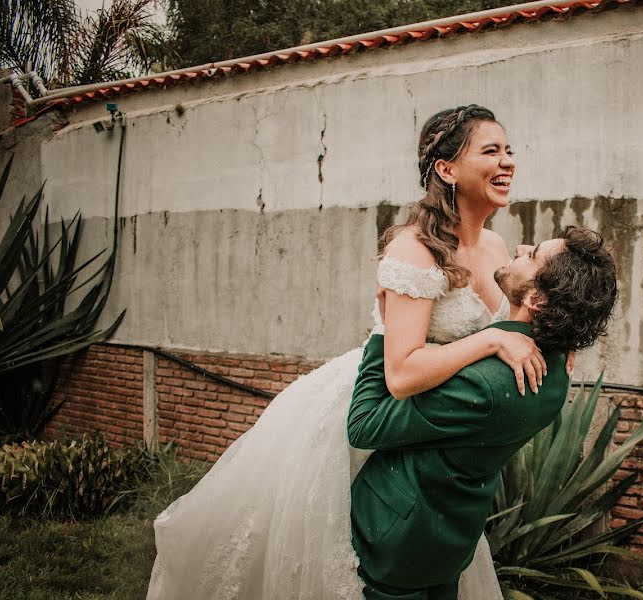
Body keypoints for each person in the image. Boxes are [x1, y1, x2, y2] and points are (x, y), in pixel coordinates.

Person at [147, 105, 551, 599]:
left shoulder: (495, 246)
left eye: (509, 150)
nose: (508, 161)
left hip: (438, 430)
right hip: (379, 411)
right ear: (446, 169)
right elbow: (400, 373)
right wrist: (488, 339)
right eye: (491, 151)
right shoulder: (415, 249)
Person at [349, 226, 617, 600]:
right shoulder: (556, 374)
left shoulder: (485, 385)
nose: (521, 246)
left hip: (397, 537)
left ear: (537, 298)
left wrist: (386, 329)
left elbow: (364, 424)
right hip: (453, 539)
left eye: (533, 253)